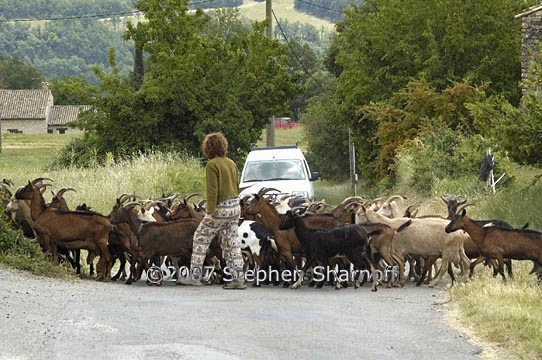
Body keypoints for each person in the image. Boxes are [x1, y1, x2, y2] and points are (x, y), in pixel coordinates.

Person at [177, 132, 246, 289]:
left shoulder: (211, 165)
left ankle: (194, 276)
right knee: (232, 242)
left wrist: (209, 212)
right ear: (223, 146)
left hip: (220, 209)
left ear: (208, 147)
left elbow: (212, 191)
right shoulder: (231, 163)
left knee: (201, 237)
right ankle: (238, 279)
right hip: (235, 207)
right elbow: (236, 186)